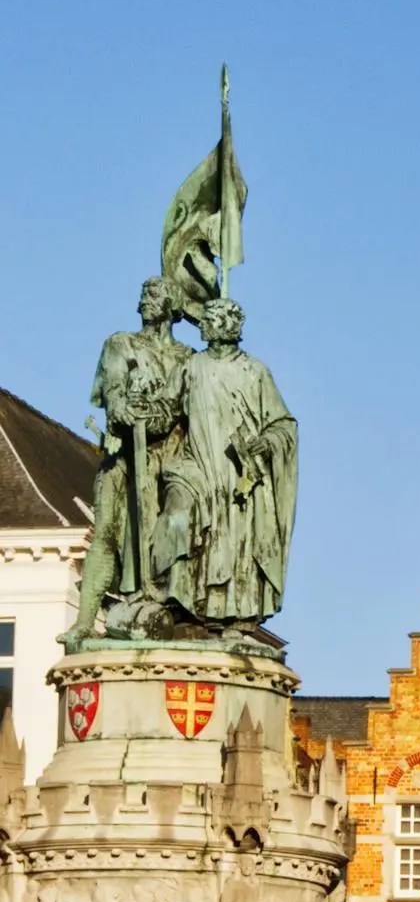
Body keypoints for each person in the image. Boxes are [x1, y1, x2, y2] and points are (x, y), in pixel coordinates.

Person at [60, 277, 191, 647]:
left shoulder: (186, 358)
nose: (147, 300)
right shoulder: (121, 344)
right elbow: (113, 396)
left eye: (156, 295)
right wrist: (125, 408)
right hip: (124, 456)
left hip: (168, 460)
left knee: (170, 530)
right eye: (144, 294)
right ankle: (84, 623)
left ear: (173, 306)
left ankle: (164, 605)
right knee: (105, 531)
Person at [154, 297, 297, 633]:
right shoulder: (191, 367)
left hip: (237, 473)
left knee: (235, 543)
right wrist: (136, 411)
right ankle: (176, 596)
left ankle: (232, 613)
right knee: (176, 517)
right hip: (196, 468)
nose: (202, 325)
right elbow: (165, 410)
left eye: (208, 320)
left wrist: (268, 441)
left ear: (225, 326)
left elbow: (284, 424)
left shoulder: (255, 372)